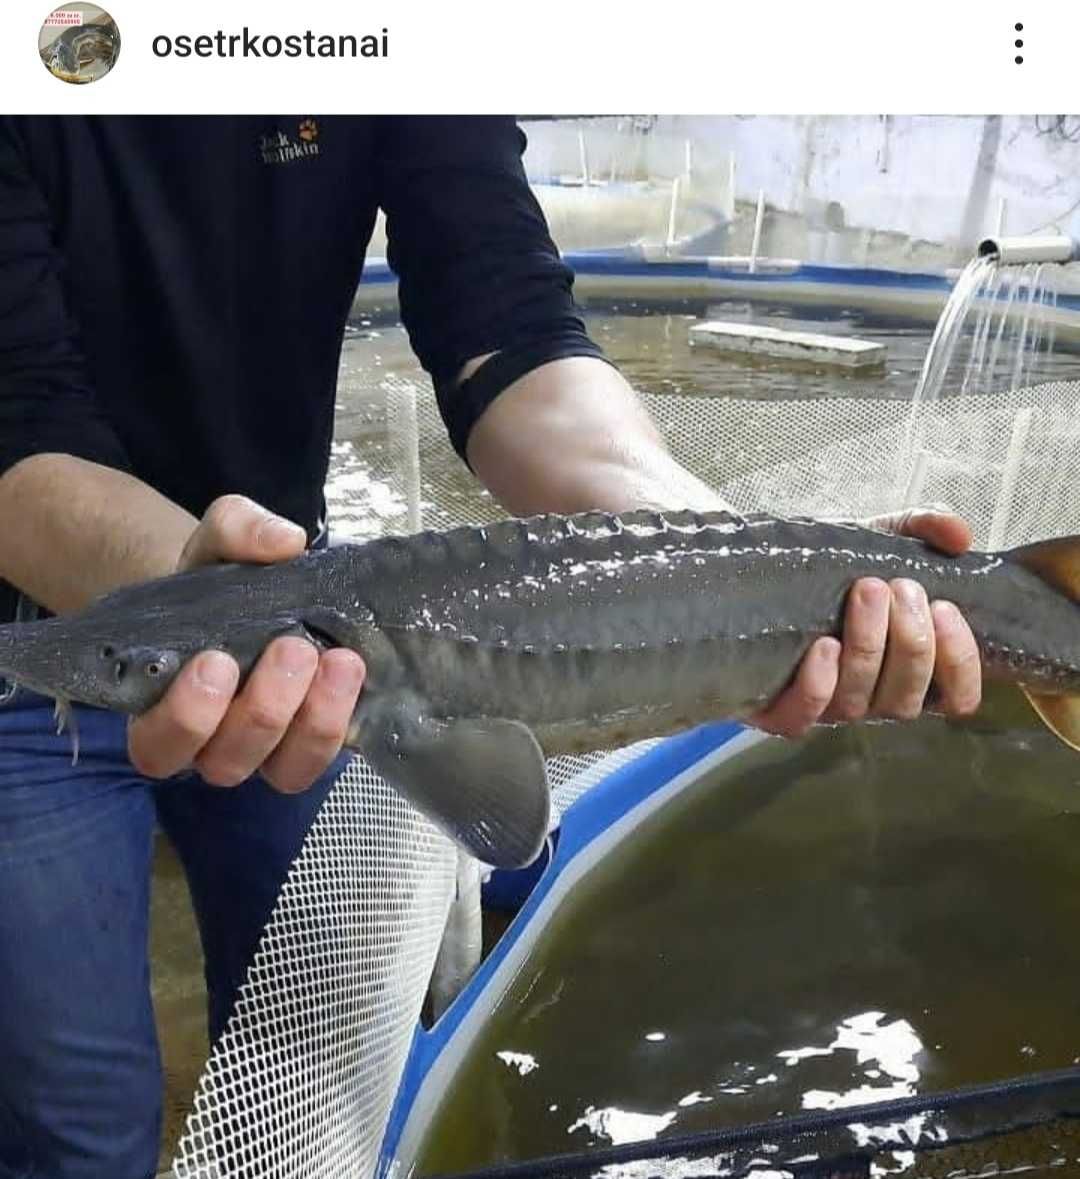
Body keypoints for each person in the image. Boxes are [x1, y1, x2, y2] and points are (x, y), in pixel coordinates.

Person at [0, 115, 982, 1178]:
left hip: (301, 644)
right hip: (39, 642)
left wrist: (718, 554)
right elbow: (18, 409)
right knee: (75, 1121)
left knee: (314, 1066)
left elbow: (506, 322)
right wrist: (187, 587)